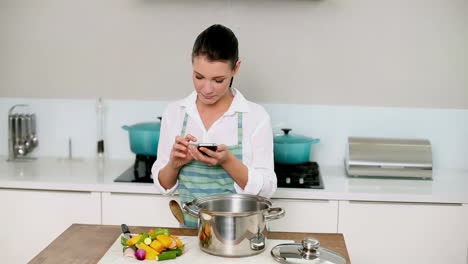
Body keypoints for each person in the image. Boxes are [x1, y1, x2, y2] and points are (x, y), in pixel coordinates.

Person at [151, 24, 277, 228]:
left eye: (218, 80)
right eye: (199, 77)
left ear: (236, 68)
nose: (207, 89)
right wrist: (174, 163)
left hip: (243, 236)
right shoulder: (176, 113)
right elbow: (164, 185)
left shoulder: (255, 116)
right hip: (193, 234)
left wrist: (228, 161)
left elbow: (267, 189)